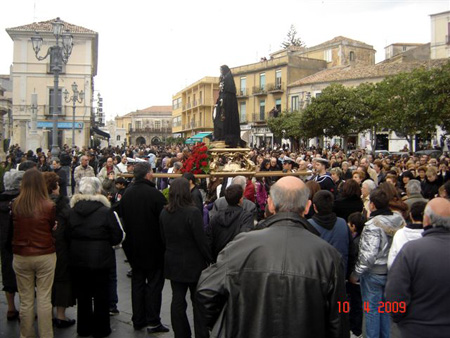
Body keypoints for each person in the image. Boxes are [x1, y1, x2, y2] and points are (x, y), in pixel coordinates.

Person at [197, 176, 348, 338]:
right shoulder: (329, 256)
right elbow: (341, 312)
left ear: (270, 204)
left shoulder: (240, 246)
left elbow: (206, 291)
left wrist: (230, 324)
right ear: (307, 207)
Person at [385, 198, 450, 338]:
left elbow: (394, 296)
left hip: (417, 329)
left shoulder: (411, 251)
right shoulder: (412, 251)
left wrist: (401, 320)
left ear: (426, 220)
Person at [68, 177, 123, 337]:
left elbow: (67, 233)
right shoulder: (105, 211)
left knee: (83, 296)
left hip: (78, 258)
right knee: (101, 295)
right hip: (101, 259)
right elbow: (117, 235)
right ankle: (101, 328)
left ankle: (84, 327)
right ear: (98, 191)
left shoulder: (73, 211)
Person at [119, 162, 170, 333]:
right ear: (148, 174)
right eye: (152, 172)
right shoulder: (155, 195)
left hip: (133, 247)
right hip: (154, 248)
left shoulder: (127, 193)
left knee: (138, 282)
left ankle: (138, 318)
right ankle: (153, 321)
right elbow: (163, 221)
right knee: (154, 285)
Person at [160, 178, 212, 338]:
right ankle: (201, 333)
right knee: (197, 301)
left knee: (177, 299)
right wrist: (209, 258)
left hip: (173, 260)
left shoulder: (164, 212)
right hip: (193, 262)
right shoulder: (193, 212)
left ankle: (181, 333)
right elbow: (200, 239)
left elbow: (163, 238)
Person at [349, 188, 405, 338]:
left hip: (374, 273)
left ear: (372, 205)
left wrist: (356, 274)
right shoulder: (399, 220)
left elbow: (368, 255)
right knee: (385, 309)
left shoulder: (372, 225)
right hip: (393, 270)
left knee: (372, 310)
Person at [11, 169, 56, 338]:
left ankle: (26, 334)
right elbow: (51, 226)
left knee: (26, 299)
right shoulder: (48, 205)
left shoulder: (15, 204)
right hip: (44, 253)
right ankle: (46, 334)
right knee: (44, 298)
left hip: (22, 253)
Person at [42, 172, 76, 328]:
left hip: (42, 247)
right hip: (61, 246)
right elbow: (70, 224)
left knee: (44, 282)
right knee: (62, 280)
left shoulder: (37, 202)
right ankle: (60, 316)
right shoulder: (62, 203)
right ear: (54, 187)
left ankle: (45, 314)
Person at [308, 190, 351, 273]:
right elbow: (351, 250)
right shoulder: (342, 223)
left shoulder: (308, 225)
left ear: (314, 207)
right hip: (339, 273)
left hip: (317, 274)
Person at [208, 184, 254, 261]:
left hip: (219, 258)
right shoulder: (246, 217)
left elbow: (209, 239)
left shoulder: (216, 216)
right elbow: (246, 239)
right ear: (241, 199)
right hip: (237, 259)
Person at [0, 170, 22, 321]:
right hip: (22, 244)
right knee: (25, 278)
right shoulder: (23, 201)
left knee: (8, 274)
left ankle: (11, 308)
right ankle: (27, 308)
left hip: (4, 244)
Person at [387, 201, 426, 269]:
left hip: (403, 274)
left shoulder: (400, 234)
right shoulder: (432, 236)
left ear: (410, 215)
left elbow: (391, 262)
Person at [213, 65, 245, 148]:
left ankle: (227, 136)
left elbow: (228, 92)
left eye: (221, 70)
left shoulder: (228, 79)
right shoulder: (223, 79)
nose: (220, 72)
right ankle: (219, 135)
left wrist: (223, 99)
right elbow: (221, 92)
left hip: (227, 104)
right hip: (221, 102)